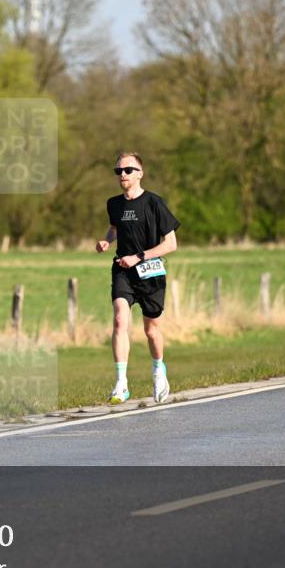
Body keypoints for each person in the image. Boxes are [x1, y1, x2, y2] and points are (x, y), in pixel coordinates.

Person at [95, 151, 180, 405]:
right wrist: (107, 241)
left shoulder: (154, 203)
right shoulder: (114, 204)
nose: (122, 174)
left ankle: (158, 370)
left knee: (151, 330)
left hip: (150, 271)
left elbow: (171, 244)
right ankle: (121, 383)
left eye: (128, 170)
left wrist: (139, 257)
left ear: (140, 173)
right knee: (120, 320)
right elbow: (115, 228)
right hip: (122, 269)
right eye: (118, 171)